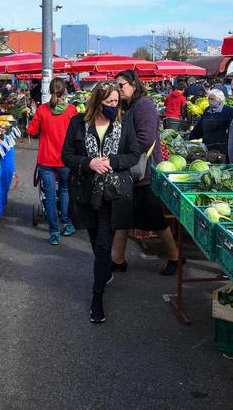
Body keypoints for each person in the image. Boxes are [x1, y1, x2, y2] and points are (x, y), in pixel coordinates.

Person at [61, 82, 140, 324]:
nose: (114, 106)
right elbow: (66, 155)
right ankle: (103, 271)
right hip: (86, 193)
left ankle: (97, 297)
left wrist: (113, 162)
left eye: (116, 102)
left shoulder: (124, 123)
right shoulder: (77, 123)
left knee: (105, 245)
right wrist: (89, 163)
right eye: (108, 103)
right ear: (97, 102)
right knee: (96, 242)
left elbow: (134, 155)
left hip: (113, 195)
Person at [110, 70, 181, 276]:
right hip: (130, 171)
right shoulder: (128, 105)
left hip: (144, 172)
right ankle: (118, 259)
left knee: (154, 218)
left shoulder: (144, 106)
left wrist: (120, 154)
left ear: (133, 83)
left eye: (121, 85)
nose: (118, 89)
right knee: (122, 215)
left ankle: (175, 256)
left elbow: (146, 139)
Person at [27, 78, 79, 245]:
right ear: (65, 91)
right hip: (66, 160)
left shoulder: (42, 110)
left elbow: (31, 131)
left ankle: (54, 233)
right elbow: (80, 131)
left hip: (46, 159)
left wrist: (31, 117)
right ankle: (66, 223)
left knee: (49, 196)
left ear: (50, 91)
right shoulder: (72, 110)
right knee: (64, 191)